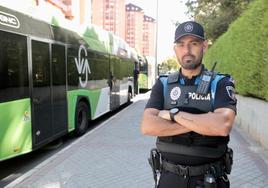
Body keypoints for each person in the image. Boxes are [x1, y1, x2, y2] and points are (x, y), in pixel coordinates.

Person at [140, 21, 237, 188]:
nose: (187, 50)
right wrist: (203, 123)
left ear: (204, 46)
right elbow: (148, 126)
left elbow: (222, 125)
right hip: (169, 178)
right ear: (175, 48)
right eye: (181, 44)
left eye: (194, 43)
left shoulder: (220, 82)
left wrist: (173, 115)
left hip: (209, 179)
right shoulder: (163, 84)